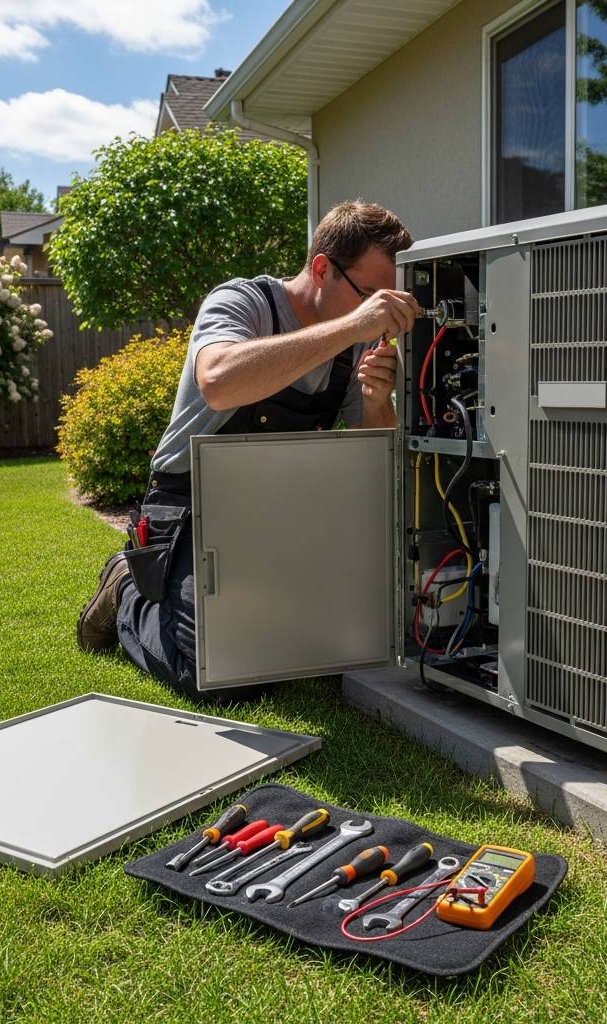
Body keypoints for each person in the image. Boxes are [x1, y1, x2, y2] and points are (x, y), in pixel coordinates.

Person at [76, 200, 419, 702]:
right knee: (222, 679)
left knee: (329, 646)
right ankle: (127, 588)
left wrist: (375, 400)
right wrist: (354, 326)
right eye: (369, 296)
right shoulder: (243, 301)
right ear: (321, 269)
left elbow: (373, 455)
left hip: (278, 514)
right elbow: (218, 382)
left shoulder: (354, 344)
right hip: (192, 504)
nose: (376, 316)